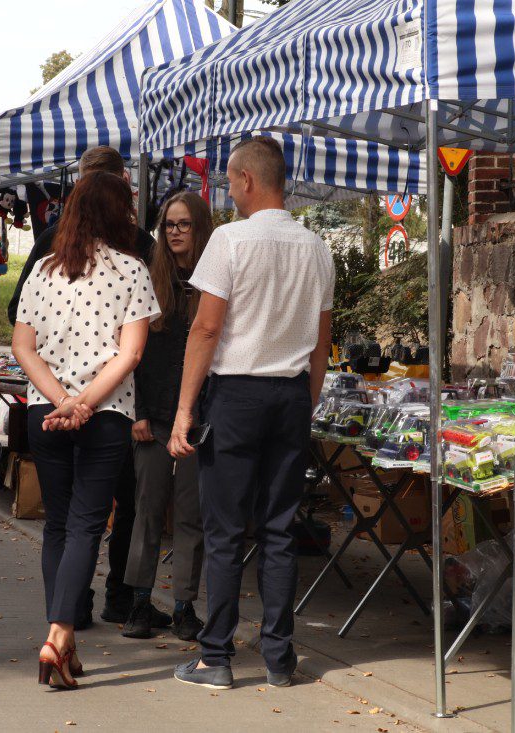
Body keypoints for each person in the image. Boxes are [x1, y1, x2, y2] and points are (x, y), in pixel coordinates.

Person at [168, 137, 334, 690]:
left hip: (236, 394)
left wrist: (184, 410)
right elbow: (320, 341)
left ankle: (215, 657)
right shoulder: (317, 247)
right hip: (288, 395)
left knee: (224, 531)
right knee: (280, 531)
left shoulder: (229, 240)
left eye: (230, 181)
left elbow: (207, 328)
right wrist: (304, 403)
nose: (228, 191)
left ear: (246, 180)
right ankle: (279, 660)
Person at [12, 171, 161, 689]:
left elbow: (22, 348)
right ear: (118, 212)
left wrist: (61, 402)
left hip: (44, 411)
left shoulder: (44, 270)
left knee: (56, 526)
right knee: (85, 527)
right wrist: (85, 404)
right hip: (107, 415)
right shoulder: (133, 270)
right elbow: (132, 353)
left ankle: (63, 642)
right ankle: (58, 635)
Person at [121, 193, 211, 642]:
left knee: (192, 516)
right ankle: (139, 603)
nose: (175, 231)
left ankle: (184, 606)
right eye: (169, 224)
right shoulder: (146, 279)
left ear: (200, 228)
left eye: (185, 224)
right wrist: (136, 412)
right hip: (152, 416)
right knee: (147, 511)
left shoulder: (214, 280)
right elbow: (131, 353)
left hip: (197, 418)